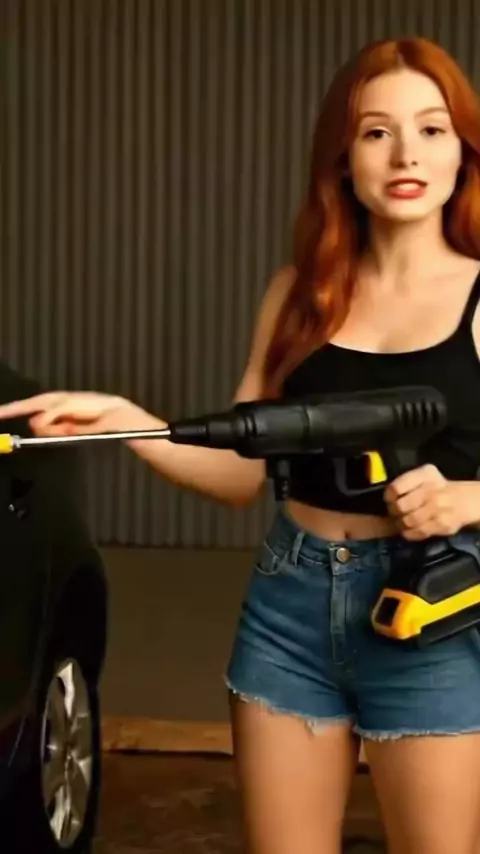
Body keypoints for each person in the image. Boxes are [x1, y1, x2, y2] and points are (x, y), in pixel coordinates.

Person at [2, 35, 480, 854]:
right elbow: (236, 472)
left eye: (432, 129)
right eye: (377, 131)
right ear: (342, 159)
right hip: (290, 606)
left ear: (463, 150)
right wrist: (125, 419)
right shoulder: (302, 294)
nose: (407, 154)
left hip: (427, 613)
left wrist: (467, 499)